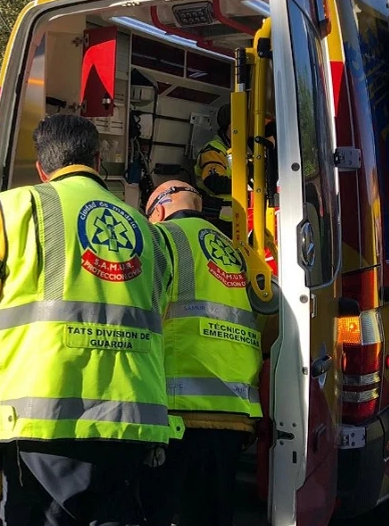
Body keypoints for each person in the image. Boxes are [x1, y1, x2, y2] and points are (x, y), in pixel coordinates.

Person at [0, 113, 177, 525]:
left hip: (43, 419)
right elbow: (157, 314)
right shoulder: (151, 234)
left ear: (42, 168)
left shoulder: (17, 207)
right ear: (98, 161)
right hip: (132, 422)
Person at [140, 180, 263, 526]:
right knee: (213, 513)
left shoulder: (162, 238)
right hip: (235, 411)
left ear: (159, 211)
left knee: (158, 511)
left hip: (178, 411)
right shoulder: (237, 252)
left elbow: (142, 313)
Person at [195, 103, 234, 236]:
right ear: (231, 125)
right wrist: (251, 186)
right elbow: (214, 182)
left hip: (239, 220)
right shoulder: (214, 150)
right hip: (220, 221)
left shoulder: (244, 150)